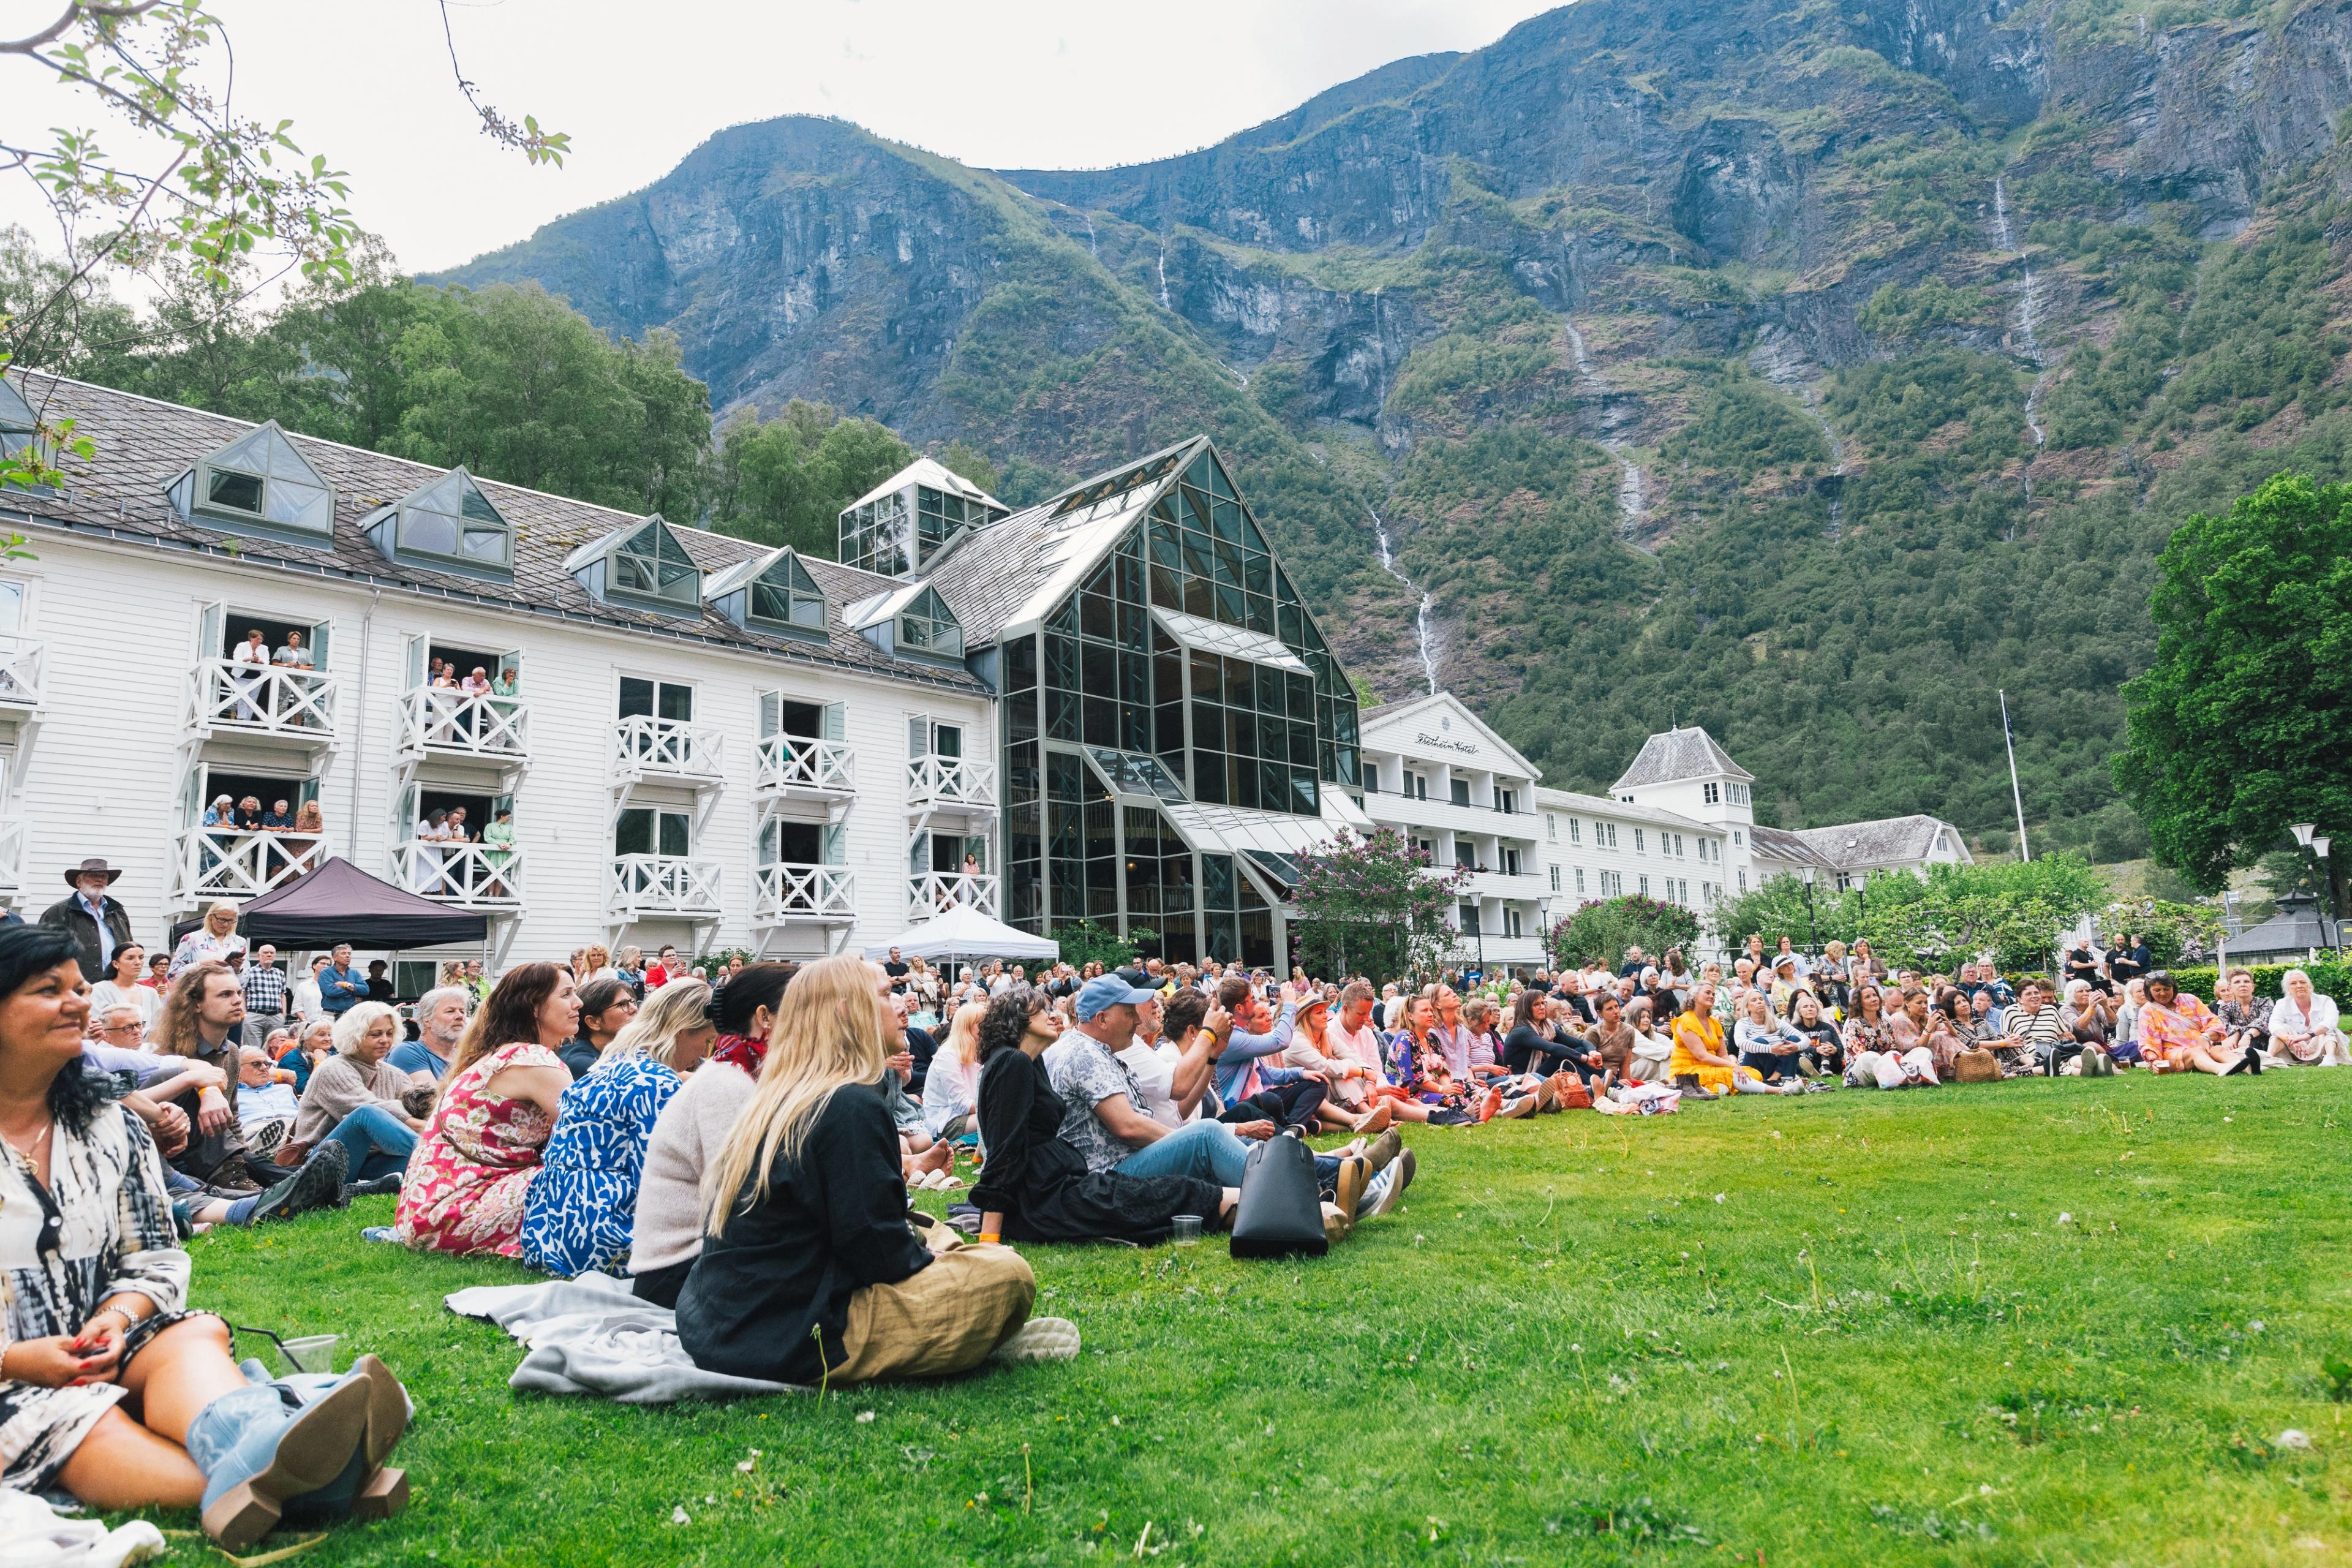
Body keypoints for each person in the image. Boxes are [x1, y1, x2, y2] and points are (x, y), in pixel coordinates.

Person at [0, 925, 412, 1548]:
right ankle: (311, 1482)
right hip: (14, 1376)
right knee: (79, 1420)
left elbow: (155, 1255)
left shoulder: (109, 1124)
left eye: (81, 987)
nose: (78, 1003)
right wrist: (14, 1360)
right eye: (47, 989)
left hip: (107, 1344)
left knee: (190, 1335)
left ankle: (261, 1446)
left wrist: (117, 1315)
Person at [677, 956, 1061, 1385]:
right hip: (791, 1336)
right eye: (885, 995)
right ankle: (975, 1335)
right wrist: (928, 1259)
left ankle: (962, 1312)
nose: (901, 1007)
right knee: (1007, 1274)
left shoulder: (787, 1094)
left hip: (721, 1322)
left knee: (931, 1227)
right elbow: (876, 1249)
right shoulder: (847, 1104)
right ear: (848, 1010)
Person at [973, 982, 1234, 1246]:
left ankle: (1265, 1195)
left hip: (1059, 1184)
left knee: (1174, 1192)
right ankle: (1267, 1198)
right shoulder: (1013, 1062)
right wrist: (989, 1239)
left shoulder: (1029, 1061)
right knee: (1174, 1193)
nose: (1053, 1016)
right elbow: (1003, 1153)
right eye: (1042, 1011)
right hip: (1047, 1196)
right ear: (1019, 1020)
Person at [521, 978, 715, 1279]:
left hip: (550, 1233)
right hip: (606, 1237)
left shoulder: (609, 1065)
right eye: (706, 1041)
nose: (704, 1053)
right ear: (683, 1031)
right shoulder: (656, 1082)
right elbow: (656, 1180)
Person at [630, 963, 796, 1308]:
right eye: (805, 1009)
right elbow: (740, 1201)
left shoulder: (746, 1073)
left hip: (708, 1259)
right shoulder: (727, 1083)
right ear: (765, 1017)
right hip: (680, 1275)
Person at [395, 962, 577, 1256]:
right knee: (594, 1181)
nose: (578, 1003)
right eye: (566, 994)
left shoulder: (496, 1054)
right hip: (455, 1213)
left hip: (425, 1214)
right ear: (533, 1007)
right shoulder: (531, 1058)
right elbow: (593, 1134)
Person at [290, 1002, 424, 1188]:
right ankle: (437, 1151)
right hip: (322, 1163)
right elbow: (369, 1108)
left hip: (368, 1163)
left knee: (429, 1168)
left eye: (389, 1033)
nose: (385, 1040)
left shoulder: (394, 1074)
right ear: (354, 1035)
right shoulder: (333, 1068)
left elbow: (421, 1103)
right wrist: (427, 1130)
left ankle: (445, 1160)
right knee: (366, 1113)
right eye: (375, 1034)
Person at [40, 859, 136, 984]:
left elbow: (130, 950)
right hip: (75, 988)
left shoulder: (118, 912)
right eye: (94, 876)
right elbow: (43, 955)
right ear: (79, 882)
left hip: (116, 986)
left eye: (103, 877)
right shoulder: (58, 912)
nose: (99, 880)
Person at [2136, 971, 2249, 1075]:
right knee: (2196, 1052)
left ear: (2173, 988)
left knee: (2217, 1050)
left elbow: (2214, 1023)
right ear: (2149, 991)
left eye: (2167, 989)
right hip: (2173, 1053)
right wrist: (2154, 1060)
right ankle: (2221, 1069)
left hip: (2202, 1045)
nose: (2162, 993)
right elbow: (2148, 1042)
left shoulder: (2189, 1000)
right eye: (2157, 990)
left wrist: (2206, 1036)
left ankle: (2249, 1068)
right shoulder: (2147, 1011)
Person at [919, 1001, 987, 1141]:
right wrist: (995, 1105)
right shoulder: (948, 1056)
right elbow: (962, 1104)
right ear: (966, 1028)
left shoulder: (979, 1052)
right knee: (997, 1116)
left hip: (970, 1114)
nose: (988, 1027)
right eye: (980, 1023)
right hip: (947, 1121)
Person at [562, 978, 639, 1080]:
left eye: (632, 1002)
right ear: (593, 1022)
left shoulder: (619, 1051)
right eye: (622, 1005)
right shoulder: (584, 1064)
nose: (634, 1009)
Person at [2267, 968, 2346, 1066]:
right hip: (2295, 1050)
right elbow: (2274, 1025)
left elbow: (2330, 1022)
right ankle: (2268, 1059)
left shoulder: (2325, 1000)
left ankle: (2330, 1059)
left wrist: (2306, 1036)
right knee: (2281, 1031)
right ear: (2288, 989)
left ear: (2310, 986)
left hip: (2321, 1048)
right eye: (2293, 983)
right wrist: (2290, 1040)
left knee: (2327, 1029)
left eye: (2303, 982)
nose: (2299, 986)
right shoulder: (2282, 1003)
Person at [389, 987, 468, 1080]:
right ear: (427, 1020)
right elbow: (435, 1095)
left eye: (462, 1011)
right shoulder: (406, 1052)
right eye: (450, 1011)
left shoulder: (465, 1057)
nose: (460, 1016)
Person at [88, 942, 159, 1033]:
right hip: (108, 1045)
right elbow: (97, 1024)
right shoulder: (100, 990)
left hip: (146, 1045)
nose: (138, 962)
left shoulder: (150, 993)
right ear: (116, 964)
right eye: (130, 958)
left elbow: (158, 1026)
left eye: (141, 958)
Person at [167, 903, 245, 984]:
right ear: (211, 917)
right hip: (199, 994)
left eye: (231, 920)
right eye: (222, 919)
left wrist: (238, 969)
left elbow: (245, 983)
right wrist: (201, 965)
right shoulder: (191, 939)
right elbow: (172, 976)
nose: (226, 924)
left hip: (230, 993)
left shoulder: (240, 942)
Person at [239, 944, 287, 1052]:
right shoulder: (249, 972)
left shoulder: (280, 973)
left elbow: (282, 995)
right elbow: (242, 994)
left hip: (275, 1016)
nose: (269, 955)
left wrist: (283, 1014)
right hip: (254, 1016)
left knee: (274, 1050)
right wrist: (244, 1014)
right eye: (266, 953)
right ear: (258, 956)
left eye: (272, 953)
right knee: (252, 1049)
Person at [317, 946, 366, 1019]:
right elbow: (331, 992)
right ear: (335, 958)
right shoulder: (326, 973)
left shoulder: (354, 973)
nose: (347, 956)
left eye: (349, 954)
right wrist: (353, 990)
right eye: (344, 953)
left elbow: (365, 990)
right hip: (330, 1014)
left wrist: (346, 985)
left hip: (349, 1015)